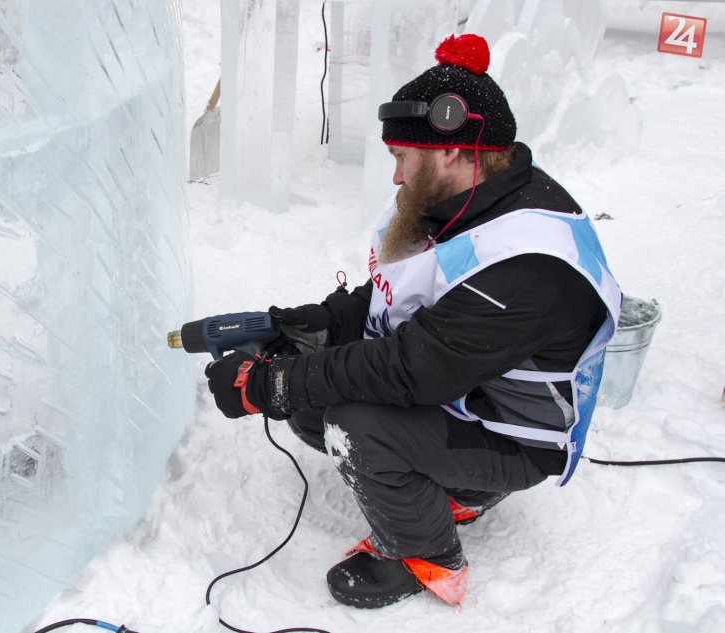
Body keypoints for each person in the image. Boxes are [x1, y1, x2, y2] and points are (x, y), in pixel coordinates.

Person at [204, 33, 622, 609]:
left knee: (353, 422)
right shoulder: (461, 199)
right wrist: (299, 327)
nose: (397, 176)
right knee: (311, 396)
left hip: (513, 433)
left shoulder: (526, 263)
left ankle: (428, 556)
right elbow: (390, 294)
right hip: (467, 386)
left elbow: (411, 369)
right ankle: (452, 485)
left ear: (450, 150)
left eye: (402, 157)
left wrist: (271, 384)